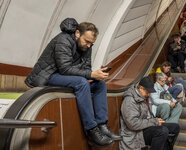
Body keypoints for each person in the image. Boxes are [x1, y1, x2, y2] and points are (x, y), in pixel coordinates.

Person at [25, 18, 121, 146]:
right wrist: (90, 74)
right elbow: (64, 68)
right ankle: (91, 131)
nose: (88, 45)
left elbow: (86, 68)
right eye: (86, 41)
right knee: (82, 83)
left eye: (91, 43)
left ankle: (102, 125)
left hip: (67, 75)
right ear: (77, 33)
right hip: (49, 75)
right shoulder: (63, 40)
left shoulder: (88, 45)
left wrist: (95, 75)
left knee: (100, 84)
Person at [120, 76, 180, 150]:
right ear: (141, 88)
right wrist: (154, 121)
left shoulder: (143, 97)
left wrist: (155, 120)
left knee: (175, 127)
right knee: (162, 131)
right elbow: (133, 124)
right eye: (148, 92)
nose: (149, 95)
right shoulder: (130, 101)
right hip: (137, 132)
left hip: (146, 126)